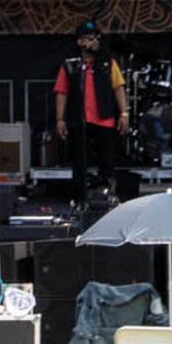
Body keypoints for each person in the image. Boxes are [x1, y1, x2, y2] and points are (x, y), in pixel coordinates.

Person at [52, 22, 137, 209]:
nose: (93, 42)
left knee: (106, 159)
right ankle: (80, 198)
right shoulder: (71, 63)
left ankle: (109, 194)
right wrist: (60, 119)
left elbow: (118, 87)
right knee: (79, 161)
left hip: (104, 117)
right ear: (80, 41)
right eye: (88, 38)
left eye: (95, 38)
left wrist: (124, 113)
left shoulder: (108, 61)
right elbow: (61, 91)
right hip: (78, 118)